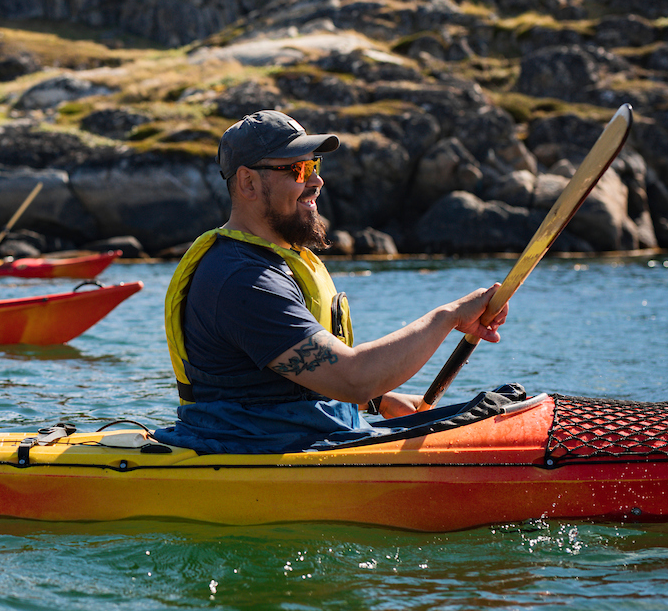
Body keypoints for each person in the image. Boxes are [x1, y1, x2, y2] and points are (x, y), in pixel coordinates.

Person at [153, 110, 509, 454]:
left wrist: (378, 400)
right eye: (299, 169)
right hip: (258, 448)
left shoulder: (268, 264)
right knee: (495, 411)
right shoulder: (243, 279)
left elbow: (289, 376)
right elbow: (353, 378)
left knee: (504, 404)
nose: (316, 181)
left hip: (302, 436)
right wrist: (449, 316)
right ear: (248, 182)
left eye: (315, 166)